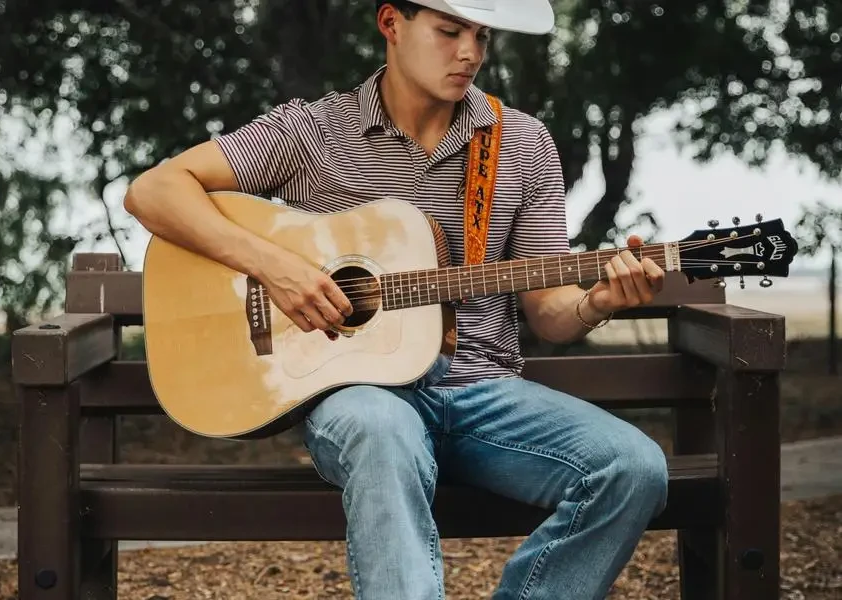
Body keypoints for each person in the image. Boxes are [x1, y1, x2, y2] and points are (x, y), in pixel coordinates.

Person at [123, 1, 669, 597]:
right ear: (391, 24)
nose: (470, 54)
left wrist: (599, 302)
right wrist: (275, 266)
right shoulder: (315, 131)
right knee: (381, 429)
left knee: (632, 467)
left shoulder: (520, 143)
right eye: (449, 31)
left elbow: (549, 312)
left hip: (483, 394)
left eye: (482, 37)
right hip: (360, 398)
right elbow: (154, 191)